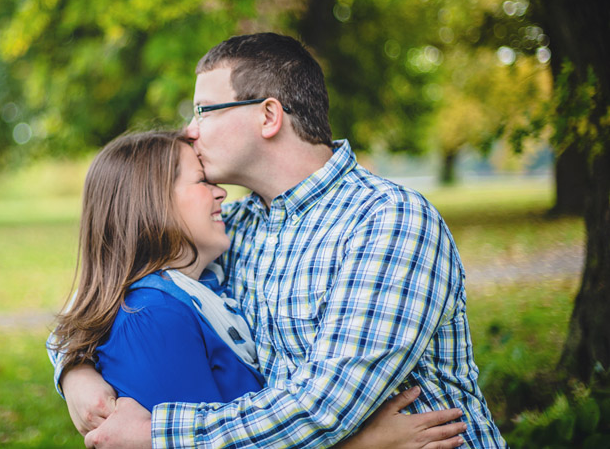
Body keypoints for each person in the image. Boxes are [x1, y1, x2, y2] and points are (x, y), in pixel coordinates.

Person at [54, 33, 507, 448]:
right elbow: (112, 280)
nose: (190, 129)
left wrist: (158, 434)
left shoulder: (386, 221)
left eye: (202, 111)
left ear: (268, 116)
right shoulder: (237, 228)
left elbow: (323, 407)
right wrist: (75, 371)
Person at [49, 130, 468, 449]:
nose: (220, 192)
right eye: (201, 181)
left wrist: (72, 369)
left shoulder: (209, 275)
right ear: (153, 202)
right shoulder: (153, 315)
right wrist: (358, 444)